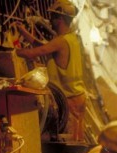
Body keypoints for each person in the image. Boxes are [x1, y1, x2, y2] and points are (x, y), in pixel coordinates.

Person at [16, 0, 86, 142]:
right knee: (76, 140)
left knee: (68, 142)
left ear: (59, 19)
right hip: (78, 97)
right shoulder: (72, 39)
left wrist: (12, 52)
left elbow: (34, 52)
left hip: (69, 100)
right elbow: (43, 47)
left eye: (52, 16)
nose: (50, 20)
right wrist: (23, 32)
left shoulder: (60, 41)